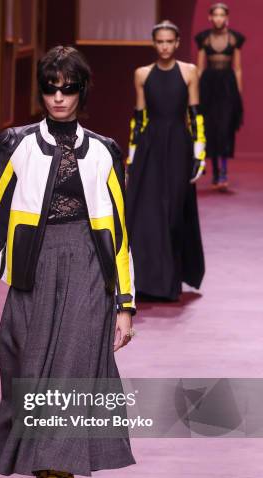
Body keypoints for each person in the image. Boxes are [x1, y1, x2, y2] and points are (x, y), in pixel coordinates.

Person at [0, 46, 137, 478]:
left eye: (69, 88)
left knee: (65, 398)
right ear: (41, 90)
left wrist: (125, 305)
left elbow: (120, 233)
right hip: (30, 279)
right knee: (30, 398)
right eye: (51, 87)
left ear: (82, 92)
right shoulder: (14, 145)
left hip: (88, 277)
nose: (59, 97)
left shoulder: (106, 151)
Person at [125, 20, 205, 302]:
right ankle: (148, 283)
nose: (165, 46)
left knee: (173, 212)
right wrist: (132, 155)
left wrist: (199, 151)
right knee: (146, 212)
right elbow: (139, 117)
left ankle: (170, 279)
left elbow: (195, 113)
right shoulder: (142, 74)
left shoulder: (189, 72)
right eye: (160, 41)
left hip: (179, 146)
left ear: (178, 42)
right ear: (154, 43)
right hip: (150, 146)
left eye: (169, 41)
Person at [195, 2, 245, 189]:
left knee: (225, 128)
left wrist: (238, 94)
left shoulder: (235, 39)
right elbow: (199, 68)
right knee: (211, 127)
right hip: (208, 86)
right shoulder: (203, 38)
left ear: (227, 18)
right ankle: (216, 172)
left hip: (227, 86)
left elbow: (238, 68)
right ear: (210, 17)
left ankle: (223, 172)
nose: (218, 18)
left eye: (221, 15)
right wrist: (195, 92)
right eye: (215, 15)